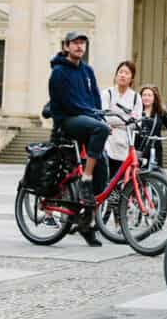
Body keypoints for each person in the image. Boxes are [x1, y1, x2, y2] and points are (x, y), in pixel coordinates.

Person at [47, 31, 108, 247]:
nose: (79, 46)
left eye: (82, 43)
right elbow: (68, 104)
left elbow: (95, 99)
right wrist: (95, 117)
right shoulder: (58, 72)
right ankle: (86, 177)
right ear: (66, 46)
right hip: (68, 121)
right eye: (75, 43)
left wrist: (99, 113)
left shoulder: (88, 71)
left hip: (86, 120)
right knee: (100, 130)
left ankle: (87, 222)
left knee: (104, 169)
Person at [102, 61, 142, 182]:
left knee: (122, 178)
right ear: (116, 75)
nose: (123, 75)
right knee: (107, 175)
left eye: (126, 73)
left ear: (132, 78)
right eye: (120, 72)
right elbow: (104, 117)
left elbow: (137, 122)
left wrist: (117, 121)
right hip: (108, 139)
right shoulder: (107, 93)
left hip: (126, 141)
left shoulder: (135, 97)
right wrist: (126, 120)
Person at [137, 84, 167, 169]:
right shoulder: (136, 111)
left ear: (154, 98)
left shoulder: (160, 113)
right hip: (138, 148)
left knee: (156, 176)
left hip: (154, 149)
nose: (146, 98)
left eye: (149, 95)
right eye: (144, 95)